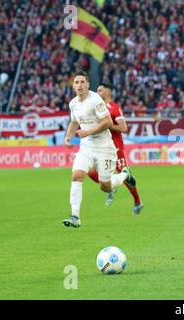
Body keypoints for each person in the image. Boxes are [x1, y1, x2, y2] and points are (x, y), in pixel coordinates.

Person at [62, 71, 135, 228]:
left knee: (105, 186)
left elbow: (107, 122)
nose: (80, 85)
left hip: (104, 148)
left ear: (88, 84)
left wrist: (87, 132)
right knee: (76, 175)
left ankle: (124, 175)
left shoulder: (95, 100)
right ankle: (75, 216)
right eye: (77, 82)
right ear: (73, 85)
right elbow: (74, 121)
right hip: (86, 147)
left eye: (82, 82)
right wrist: (68, 137)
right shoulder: (73, 103)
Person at [86, 83, 143, 215]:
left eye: (100, 90)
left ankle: (137, 201)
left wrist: (106, 125)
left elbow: (123, 128)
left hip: (115, 147)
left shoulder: (114, 108)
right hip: (99, 146)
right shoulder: (96, 108)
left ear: (108, 92)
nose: (97, 92)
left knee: (124, 174)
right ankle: (110, 188)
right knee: (89, 169)